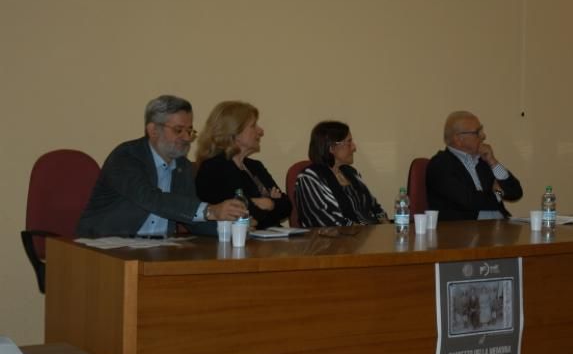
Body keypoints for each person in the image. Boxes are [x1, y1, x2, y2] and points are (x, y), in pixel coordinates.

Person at [77, 95, 247, 237]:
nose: (187, 138)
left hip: (158, 250)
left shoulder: (183, 167)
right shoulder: (126, 156)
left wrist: (232, 229)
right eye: (178, 130)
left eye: (189, 131)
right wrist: (209, 211)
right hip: (104, 249)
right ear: (153, 130)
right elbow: (151, 198)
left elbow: (190, 217)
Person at [194, 101, 291, 229]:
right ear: (235, 132)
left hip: (266, 240)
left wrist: (267, 203)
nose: (260, 131)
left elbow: (286, 207)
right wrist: (269, 203)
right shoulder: (214, 167)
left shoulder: (255, 166)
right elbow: (240, 214)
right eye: (253, 126)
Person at [426, 110, 523, 221]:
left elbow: (515, 192)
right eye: (477, 132)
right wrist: (498, 194)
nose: (483, 136)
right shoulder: (441, 164)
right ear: (458, 139)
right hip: (466, 232)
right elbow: (469, 201)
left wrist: (493, 162)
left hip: (499, 227)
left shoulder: (482, 161)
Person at [294, 121, 387, 227]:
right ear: (331, 147)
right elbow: (329, 222)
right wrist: (367, 235)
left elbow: (375, 208)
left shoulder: (351, 172)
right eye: (349, 142)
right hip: (338, 241)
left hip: (368, 235)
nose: (354, 147)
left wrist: (386, 229)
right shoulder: (309, 178)